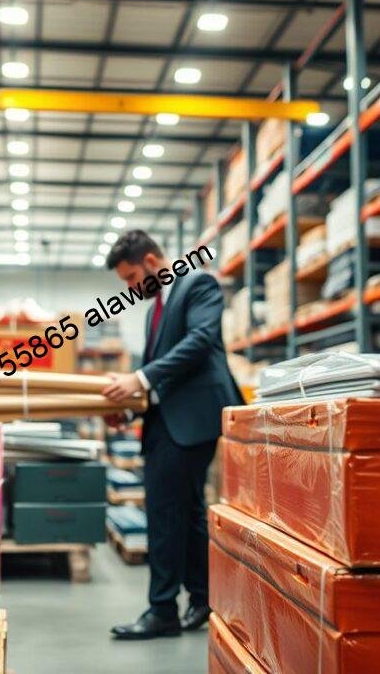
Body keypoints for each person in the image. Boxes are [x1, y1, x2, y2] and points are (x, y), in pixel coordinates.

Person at [100, 230, 243, 640]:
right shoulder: (153, 310)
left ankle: (162, 610)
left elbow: (201, 342)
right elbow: (158, 377)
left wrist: (139, 378)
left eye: (130, 278)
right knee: (189, 511)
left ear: (150, 260)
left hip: (193, 417)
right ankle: (202, 597)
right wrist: (126, 410)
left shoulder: (198, 284)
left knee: (165, 512)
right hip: (168, 419)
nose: (130, 288)